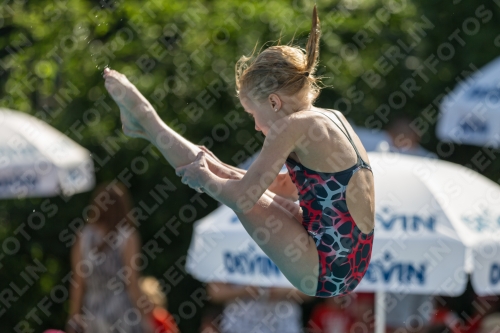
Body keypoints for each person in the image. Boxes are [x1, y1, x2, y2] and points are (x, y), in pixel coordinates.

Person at [102, 6, 375, 298]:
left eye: (252, 113)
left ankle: (145, 117)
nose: (257, 126)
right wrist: (217, 169)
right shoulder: (331, 117)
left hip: (324, 269)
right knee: (219, 171)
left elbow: (243, 198)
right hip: (348, 264)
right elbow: (288, 186)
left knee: (231, 191)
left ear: (273, 102)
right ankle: (146, 126)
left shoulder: (292, 126)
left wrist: (204, 178)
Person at [66, 182, 153, 333]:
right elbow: (132, 281)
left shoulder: (83, 237)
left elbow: (78, 282)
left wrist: (74, 315)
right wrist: (146, 315)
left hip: (93, 313)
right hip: (122, 313)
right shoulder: (127, 237)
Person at [206, 282, 307, 333]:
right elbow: (214, 292)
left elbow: (310, 290)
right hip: (239, 327)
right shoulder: (230, 244)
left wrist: (284, 291)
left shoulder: (292, 244)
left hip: (283, 327)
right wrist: (245, 290)